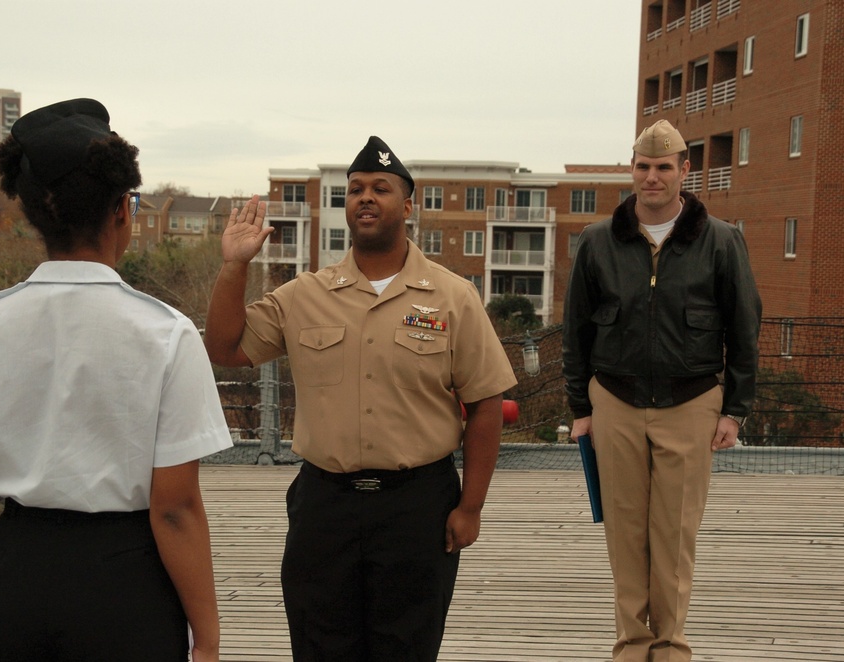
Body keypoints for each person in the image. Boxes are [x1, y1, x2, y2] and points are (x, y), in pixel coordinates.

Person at [0, 98, 232, 662]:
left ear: (35, 217)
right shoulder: (166, 334)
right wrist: (208, 639)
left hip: (9, 583)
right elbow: (175, 508)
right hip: (125, 589)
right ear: (122, 209)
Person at [205, 136, 517, 661]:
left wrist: (472, 507)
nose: (365, 197)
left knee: (407, 649)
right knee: (319, 646)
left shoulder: (452, 296)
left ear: (408, 204)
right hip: (325, 507)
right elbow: (224, 347)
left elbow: (486, 404)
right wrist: (235, 265)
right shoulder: (305, 295)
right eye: (354, 190)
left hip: (417, 508)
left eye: (380, 188)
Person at [562, 119, 762, 661]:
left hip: (692, 400)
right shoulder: (598, 241)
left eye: (663, 167)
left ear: (684, 170)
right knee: (625, 530)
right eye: (643, 167)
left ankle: (670, 645)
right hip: (615, 400)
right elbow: (576, 328)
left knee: (674, 534)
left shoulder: (720, 240)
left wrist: (734, 410)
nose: (652, 177)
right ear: (632, 170)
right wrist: (581, 408)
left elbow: (744, 329)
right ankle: (632, 644)